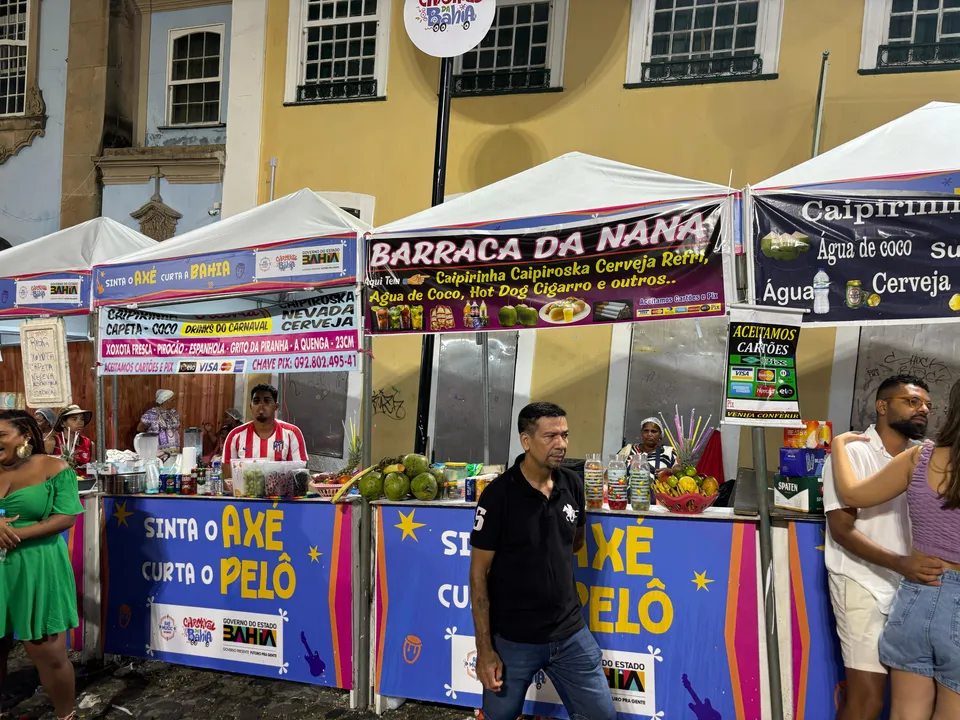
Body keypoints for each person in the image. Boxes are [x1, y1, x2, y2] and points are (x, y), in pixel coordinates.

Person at [470, 402, 616, 720]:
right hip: (513, 640)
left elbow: (574, 541)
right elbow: (479, 574)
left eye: (565, 435)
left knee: (601, 716)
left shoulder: (573, 485)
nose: (561, 444)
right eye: (550, 436)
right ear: (526, 441)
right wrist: (485, 649)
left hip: (570, 633)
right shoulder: (498, 496)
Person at [832, 379, 960, 720]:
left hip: (915, 595)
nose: (924, 410)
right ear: (883, 406)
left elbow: (852, 496)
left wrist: (838, 446)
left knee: (905, 713)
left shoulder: (921, 456)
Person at [0, 410, 85, 720]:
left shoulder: (54, 467)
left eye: (1, 436)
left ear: (24, 435)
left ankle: (66, 715)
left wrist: (13, 534)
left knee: (48, 654)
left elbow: (66, 516)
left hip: (37, 568)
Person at [223, 385, 306, 470]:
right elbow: (227, 472)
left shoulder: (292, 433)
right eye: (256, 401)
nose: (261, 405)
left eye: (267, 401)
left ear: (276, 406)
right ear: (251, 406)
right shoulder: (235, 435)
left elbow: (299, 471)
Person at [52, 405, 95, 470]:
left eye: (82, 419)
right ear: (62, 423)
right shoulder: (53, 442)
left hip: (84, 479)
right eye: (74, 419)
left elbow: (93, 470)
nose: (80, 422)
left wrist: (110, 468)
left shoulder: (89, 444)